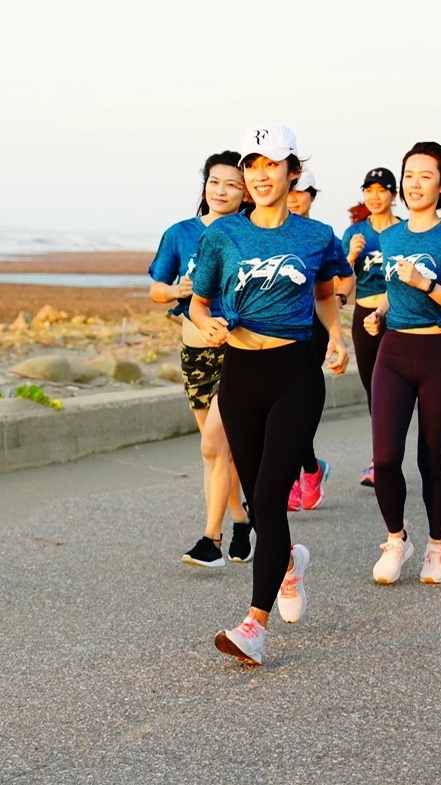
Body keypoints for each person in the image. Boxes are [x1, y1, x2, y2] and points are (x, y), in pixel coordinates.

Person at [190, 123, 350, 665]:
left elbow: (327, 295)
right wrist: (209, 324)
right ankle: (288, 565)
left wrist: (336, 336)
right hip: (239, 374)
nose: (260, 175)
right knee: (258, 501)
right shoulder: (223, 236)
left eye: (272, 164)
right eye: (252, 165)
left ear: (293, 171)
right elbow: (200, 301)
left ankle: (253, 627)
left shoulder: (316, 236)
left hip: (294, 373)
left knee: (273, 493)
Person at [363, 141, 441, 586]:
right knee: (386, 457)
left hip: (439, 356)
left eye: (424, 176)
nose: (414, 183)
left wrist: (426, 282)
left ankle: (436, 548)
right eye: (408, 175)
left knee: (431, 460)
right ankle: (397, 540)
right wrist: (379, 314)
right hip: (393, 353)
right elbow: (395, 292)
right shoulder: (389, 236)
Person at [147, 151, 252, 567]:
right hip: (193, 353)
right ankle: (242, 518)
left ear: (244, 192)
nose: (221, 190)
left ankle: (212, 539)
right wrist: (179, 291)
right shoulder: (180, 233)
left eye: (232, 184)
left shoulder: (248, 233)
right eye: (215, 182)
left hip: (235, 350)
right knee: (217, 450)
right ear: (204, 185)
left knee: (213, 444)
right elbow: (157, 287)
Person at [283, 169, 352, 512]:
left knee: (299, 403)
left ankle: (299, 472)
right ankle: (309, 468)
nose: (295, 197)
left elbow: (346, 277)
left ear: (312, 196)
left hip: (313, 326)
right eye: (291, 190)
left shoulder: (322, 236)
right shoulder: (271, 230)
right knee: (282, 404)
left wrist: (337, 301)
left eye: (302, 191)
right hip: (278, 328)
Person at [341, 167, 400, 487]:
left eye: (382, 190)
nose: (375, 196)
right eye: (369, 190)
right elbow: (340, 279)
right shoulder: (355, 233)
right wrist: (350, 256)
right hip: (364, 313)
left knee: (394, 390)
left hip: (398, 314)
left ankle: (386, 458)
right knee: (373, 389)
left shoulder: (404, 231)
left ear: (393, 194)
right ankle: (382, 459)